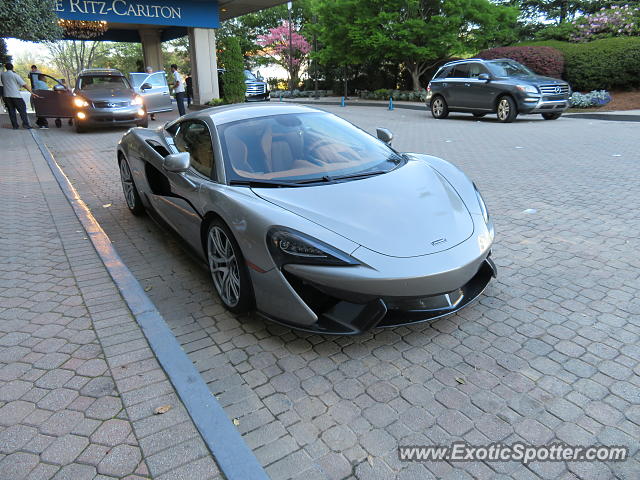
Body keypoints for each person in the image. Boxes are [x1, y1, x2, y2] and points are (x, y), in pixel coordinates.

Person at [1, 63, 39, 129]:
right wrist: (31, 92)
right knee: (22, 109)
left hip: (6, 96)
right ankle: (26, 124)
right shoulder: (15, 75)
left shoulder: (3, 75)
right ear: (12, 68)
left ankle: (15, 126)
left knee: (11, 111)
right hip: (15, 95)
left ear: (6, 68)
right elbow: (24, 84)